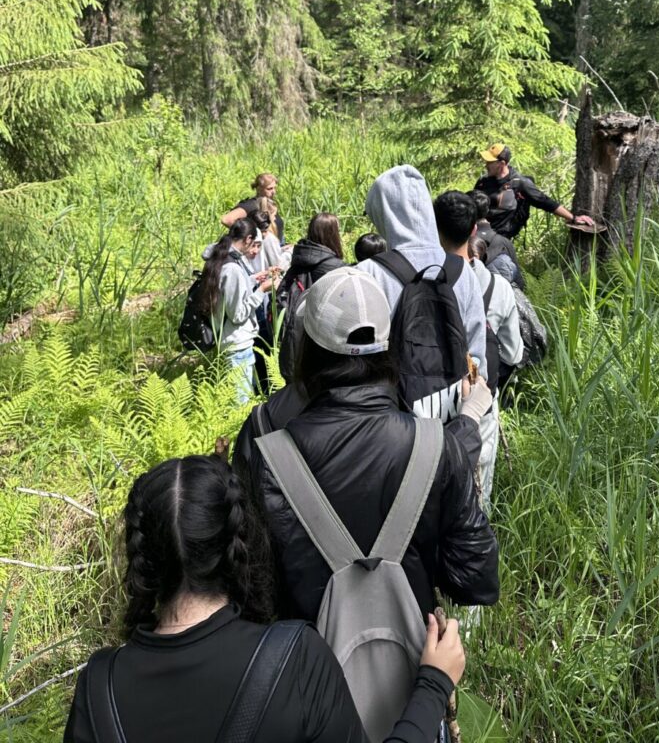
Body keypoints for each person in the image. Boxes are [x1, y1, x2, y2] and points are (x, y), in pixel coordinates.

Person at [64, 455, 466, 743]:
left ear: (144, 558)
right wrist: (434, 683)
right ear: (238, 545)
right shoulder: (295, 659)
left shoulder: (99, 688)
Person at [235, 267, 499, 629]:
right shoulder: (436, 447)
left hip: (302, 655)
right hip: (412, 655)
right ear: (389, 348)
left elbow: (250, 587)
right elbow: (475, 579)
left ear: (306, 347)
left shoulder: (264, 447)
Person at [356, 165, 487, 424]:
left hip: (391, 420)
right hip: (451, 414)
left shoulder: (368, 273)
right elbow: (476, 353)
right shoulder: (463, 271)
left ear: (383, 215)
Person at [433, 192, 522, 506]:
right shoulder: (499, 288)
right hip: (480, 399)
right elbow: (513, 353)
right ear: (474, 230)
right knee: (478, 491)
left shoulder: (422, 282)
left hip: (431, 403)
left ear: (434, 227)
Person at [198, 218, 275, 404]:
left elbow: (227, 292)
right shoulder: (233, 268)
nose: (255, 249)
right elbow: (238, 314)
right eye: (254, 244)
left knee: (239, 399)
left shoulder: (220, 258)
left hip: (227, 339)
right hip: (237, 344)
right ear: (248, 239)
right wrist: (262, 290)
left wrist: (254, 279)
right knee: (239, 405)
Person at [276, 212, 346, 382]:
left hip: (297, 336)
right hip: (325, 340)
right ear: (332, 234)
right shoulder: (335, 267)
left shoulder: (298, 261)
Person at [474, 143, 595, 241]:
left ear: (502, 164)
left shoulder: (520, 183)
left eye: (490, 162)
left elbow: (545, 202)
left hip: (499, 238)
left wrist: (573, 218)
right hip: (477, 233)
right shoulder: (483, 182)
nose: (486, 165)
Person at [469, 190, 524, 288]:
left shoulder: (463, 242)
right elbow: (519, 282)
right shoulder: (505, 242)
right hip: (504, 295)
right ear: (487, 210)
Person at [221, 172, 285, 244]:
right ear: (259, 189)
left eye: (274, 188)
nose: (273, 192)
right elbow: (227, 220)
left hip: (277, 244)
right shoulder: (252, 205)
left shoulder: (270, 204)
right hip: (260, 247)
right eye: (269, 189)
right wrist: (247, 234)